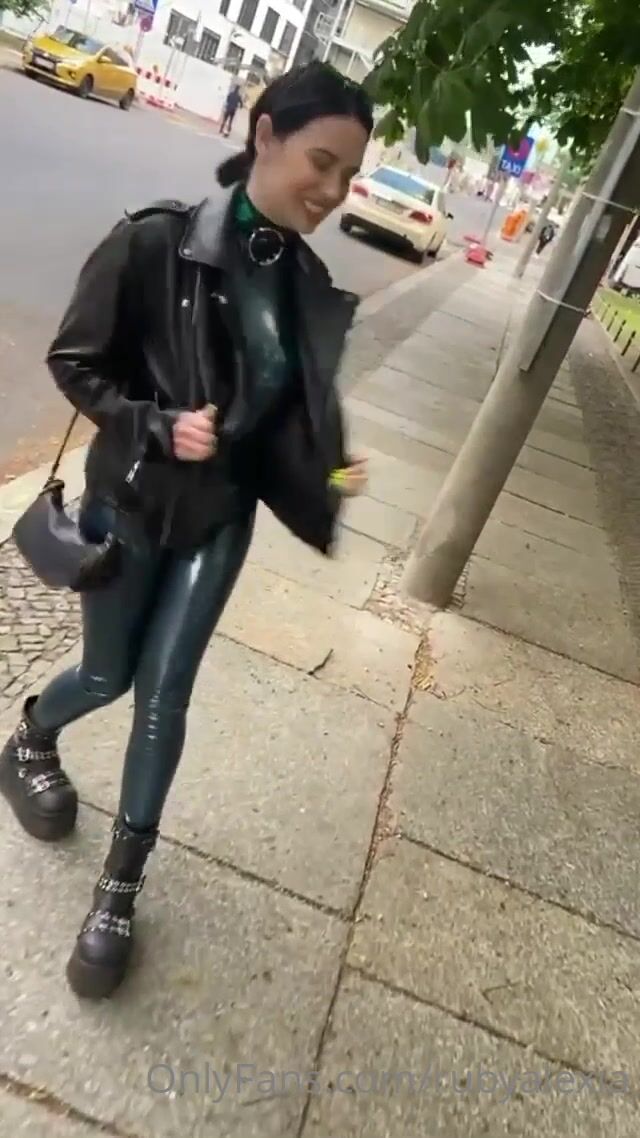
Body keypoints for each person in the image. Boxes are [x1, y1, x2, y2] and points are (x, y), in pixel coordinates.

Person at [0, 61, 373, 1001]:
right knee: (107, 676)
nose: (332, 191)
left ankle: (119, 892)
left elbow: (294, 415)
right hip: (131, 504)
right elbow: (75, 361)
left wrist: (331, 471)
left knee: (165, 697)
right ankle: (30, 741)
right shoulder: (156, 240)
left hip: (219, 521)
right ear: (265, 134)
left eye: (348, 176)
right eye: (321, 163)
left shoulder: (307, 282)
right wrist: (156, 424)